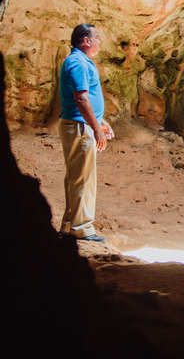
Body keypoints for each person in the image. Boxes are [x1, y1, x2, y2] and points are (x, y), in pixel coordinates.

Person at [58, 24, 114, 242]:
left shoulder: (78, 61)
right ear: (86, 40)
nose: (99, 41)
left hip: (79, 124)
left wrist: (99, 122)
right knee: (83, 178)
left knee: (76, 176)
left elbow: (86, 100)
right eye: (97, 37)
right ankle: (82, 228)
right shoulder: (78, 63)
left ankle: (69, 226)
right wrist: (95, 129)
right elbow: (81, 99)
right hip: (79, 127)